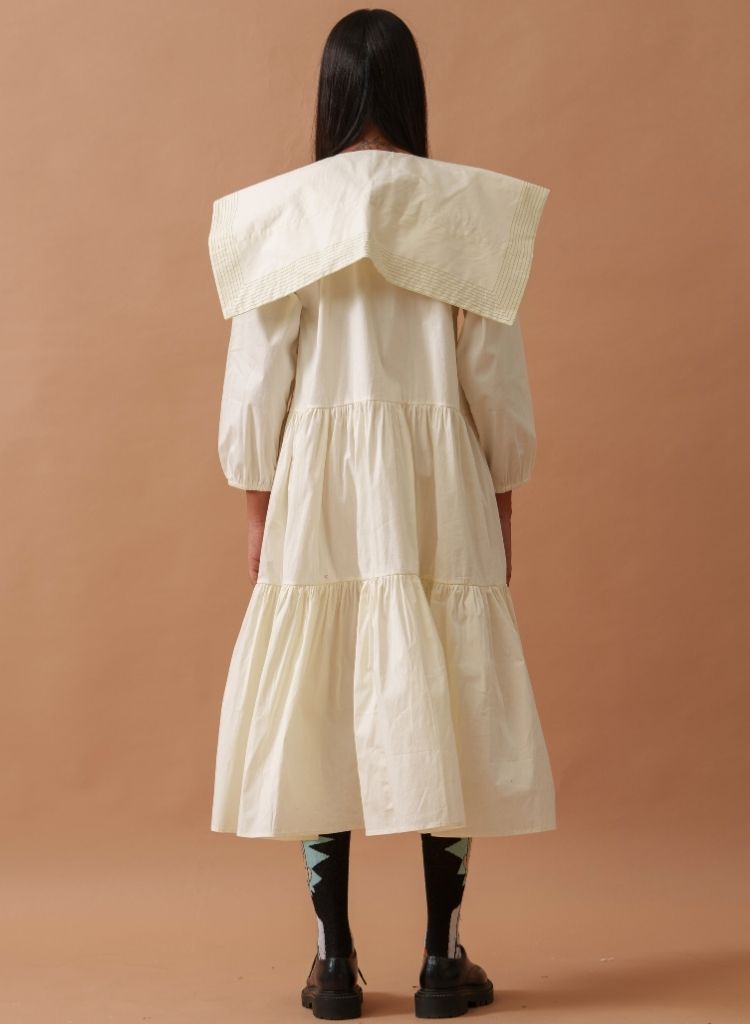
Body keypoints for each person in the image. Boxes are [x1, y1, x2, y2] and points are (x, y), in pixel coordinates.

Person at [206, 8, 556, 1019]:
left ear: (330, 94)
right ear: (409, 91)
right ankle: (443, 959)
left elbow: (255, 394)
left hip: (318, 486)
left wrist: (259, 513)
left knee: (319, 696)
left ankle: (333, 962)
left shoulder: (276, 215)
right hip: (438, 482)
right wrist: (500, 504)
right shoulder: (470, 211)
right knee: (445, 694)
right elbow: (495, 392)